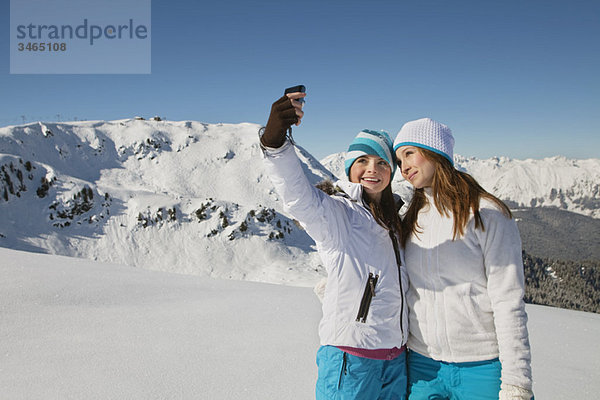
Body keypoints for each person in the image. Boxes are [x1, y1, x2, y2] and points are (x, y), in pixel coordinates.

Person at [260, 91, 409, 399]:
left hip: (396, 360)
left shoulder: (396, 221)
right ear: (350, 167)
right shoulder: (338, 213)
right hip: (352, 359)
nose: (373, 169)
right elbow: (298, 197)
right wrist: (275, 142)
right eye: (363, 161)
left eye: (382, 162)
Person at [393, 118, 534, 400]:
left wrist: (517, 383)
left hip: (482, 366)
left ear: (435, 152)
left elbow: (508, 301)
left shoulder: (486, 214)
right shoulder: (411, 218)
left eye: (409, 153)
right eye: (398, 159)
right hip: (422, 366)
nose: (403, 166)